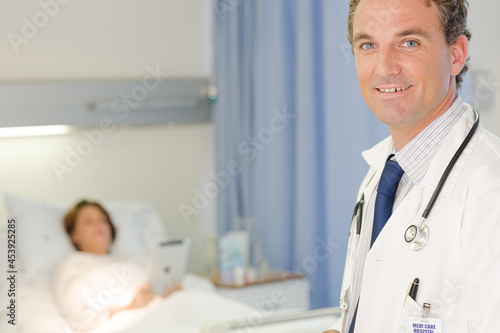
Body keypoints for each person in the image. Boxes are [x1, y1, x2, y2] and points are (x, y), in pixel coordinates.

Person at [325, 0, 500, 332]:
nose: (384, 67)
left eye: (409, 42)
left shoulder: (490, 190)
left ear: (456, 54)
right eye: (368, 45)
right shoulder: (384, 175)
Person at [54, 199, 182, 331]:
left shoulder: (135, 260)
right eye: (89, 222)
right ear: (74, 235)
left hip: (169, 313)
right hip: (134, 323)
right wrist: (128, 307)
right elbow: (80, 316)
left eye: (103, 220)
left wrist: (173, 293)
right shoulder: (73, 264)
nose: (98, 225)